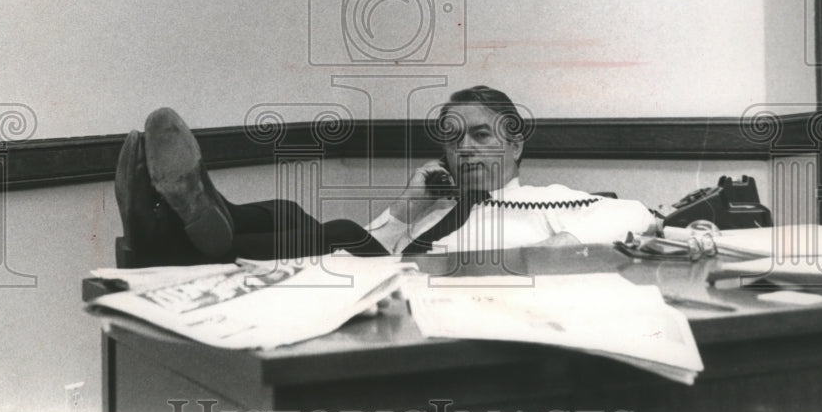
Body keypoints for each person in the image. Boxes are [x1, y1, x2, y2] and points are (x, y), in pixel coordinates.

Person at [115, 86, 655, 264]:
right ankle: (204, 207)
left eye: (482, 136)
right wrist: (407, 206)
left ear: (515, 142)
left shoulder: (546, 198)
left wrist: (561, 243)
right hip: (374, 265)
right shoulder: (441, 200)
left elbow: (640, 216)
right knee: (292, 214)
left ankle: (174, 224)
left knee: (337, 236)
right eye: (453, 138)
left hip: (400, 288)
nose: (463, 149)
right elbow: (381, 239)